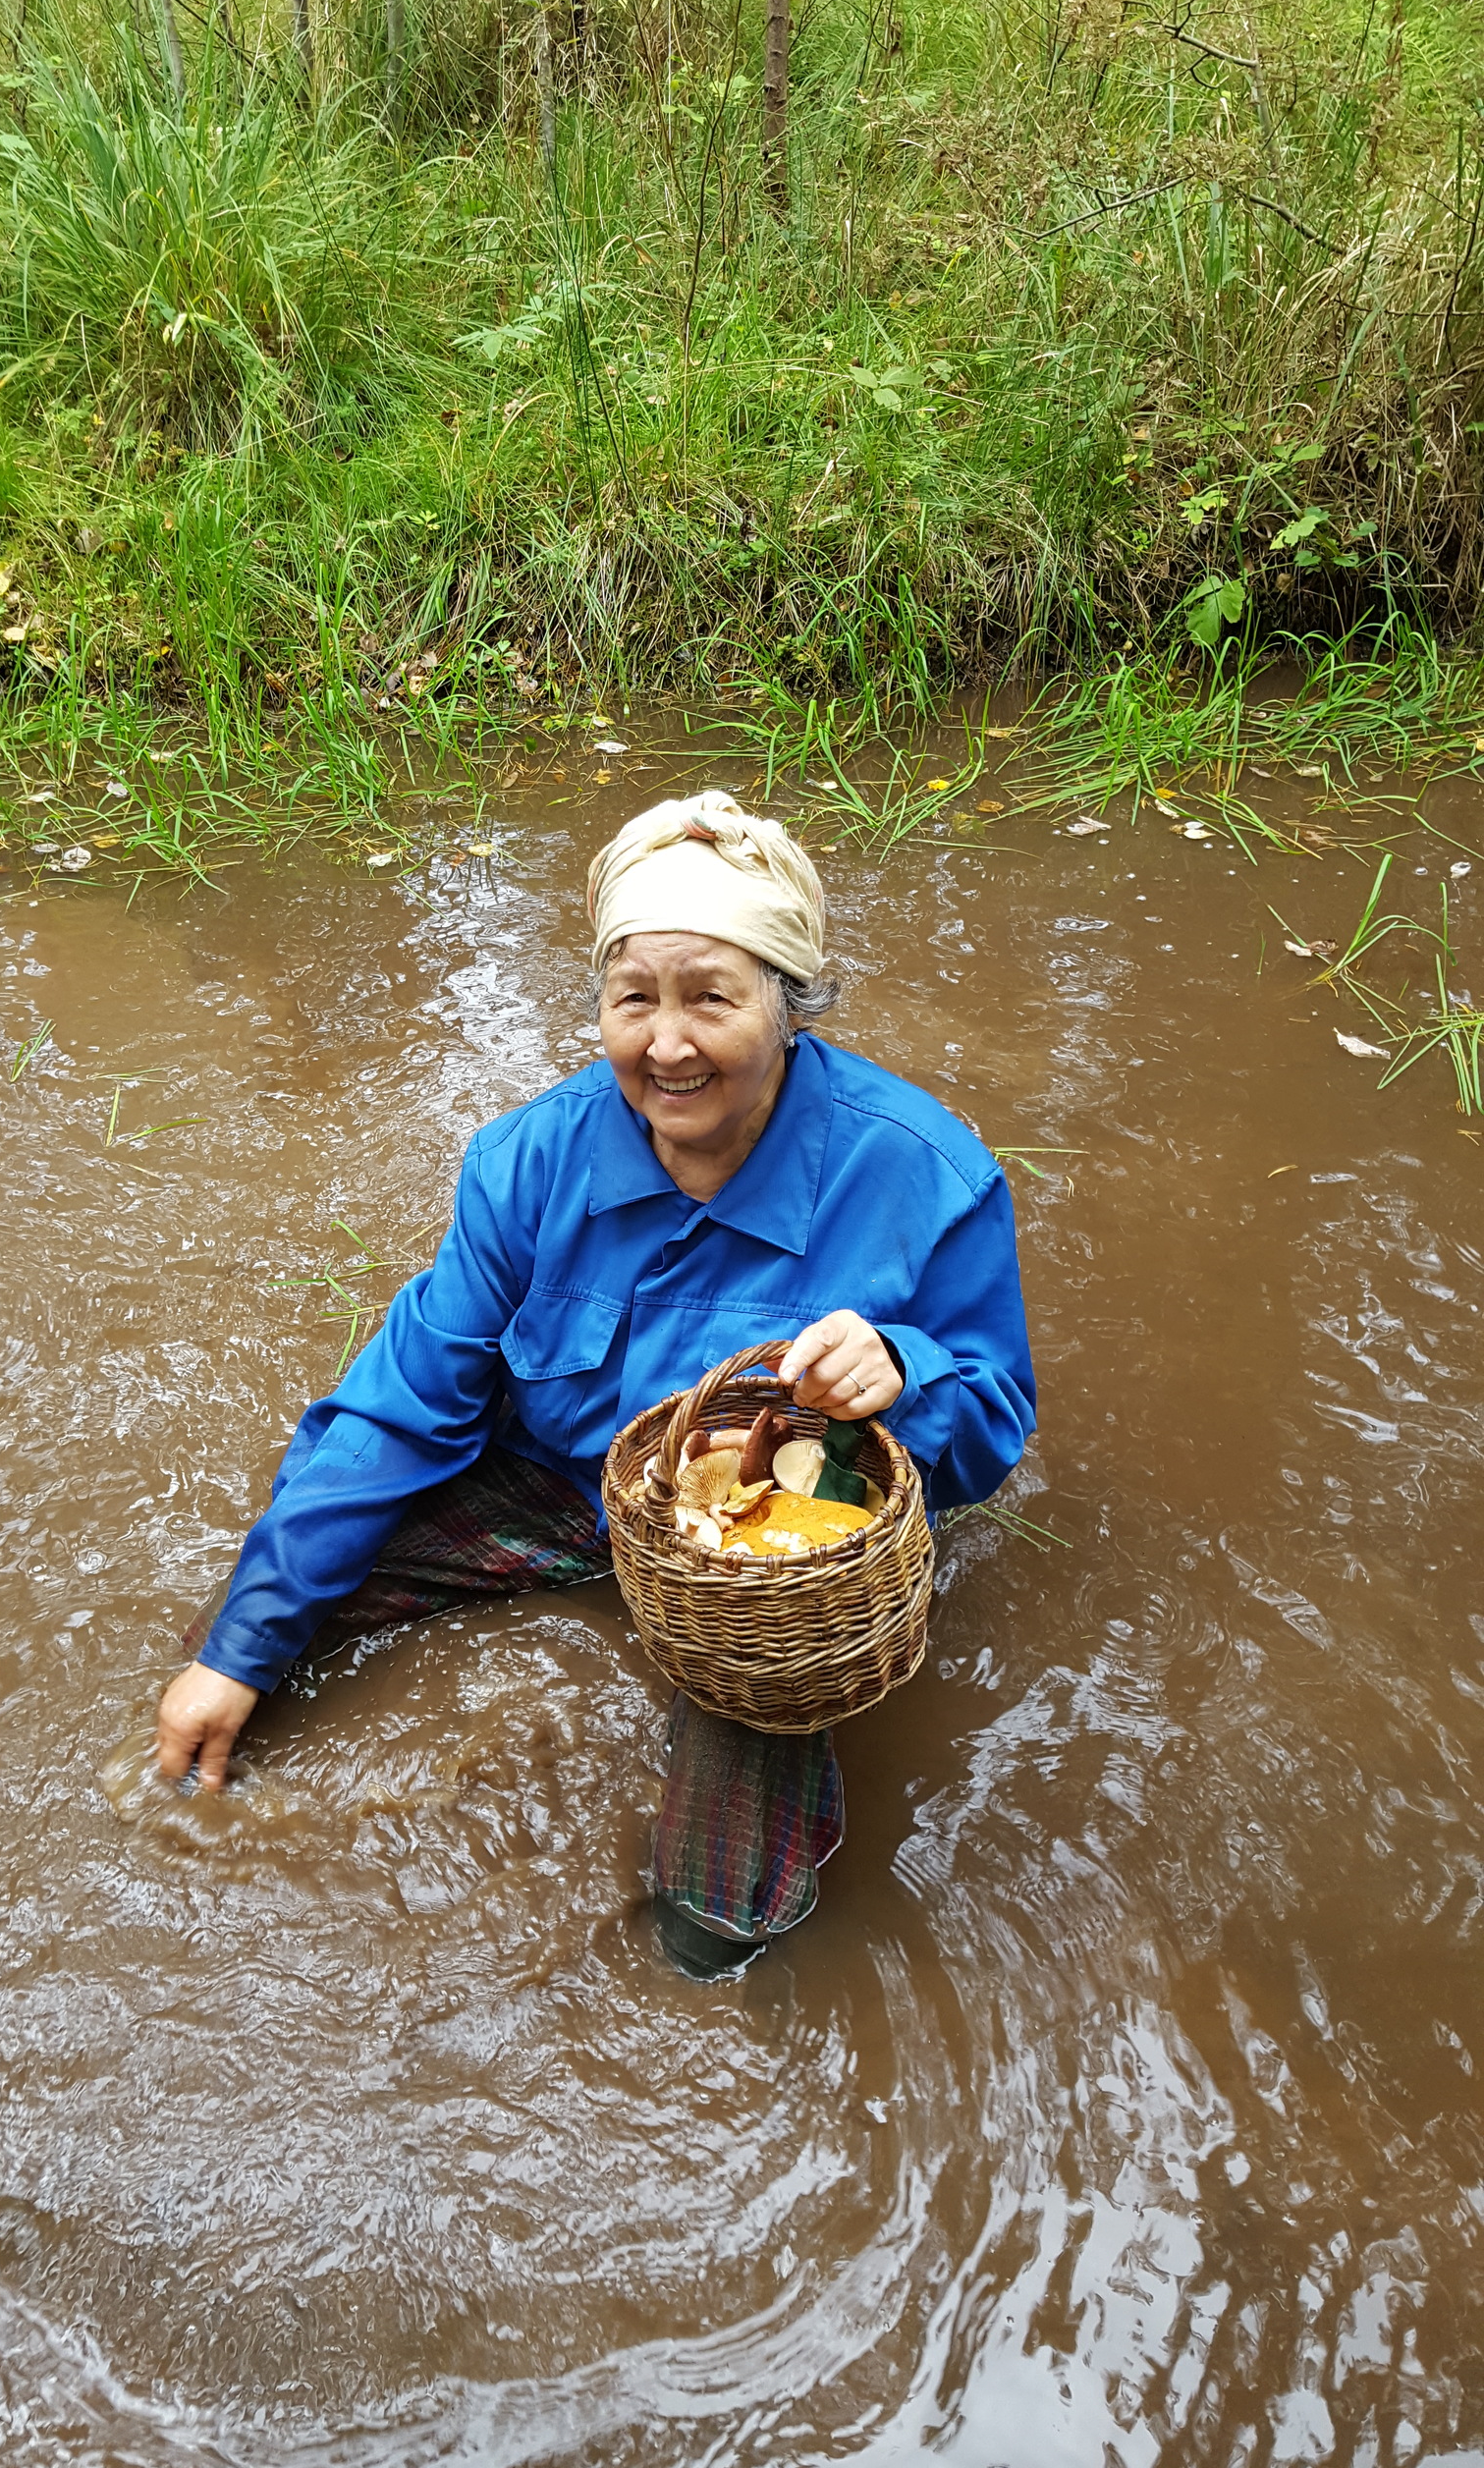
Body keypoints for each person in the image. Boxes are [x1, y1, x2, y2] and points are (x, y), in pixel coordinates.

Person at [156, 792, 1035, 1977]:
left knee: (715, 1918)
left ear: (790, 1003)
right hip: (567, 1486)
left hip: (765, 1561)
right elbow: (397, 1408)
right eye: (635, 999)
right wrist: (237, 1652)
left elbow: (989, 1434)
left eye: (711, 997)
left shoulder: (925, 1175)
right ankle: (206, 1718)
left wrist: (908, 1371)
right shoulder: (526, 1164)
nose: (667, 1045)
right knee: (278, 1619)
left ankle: (702, 1969)